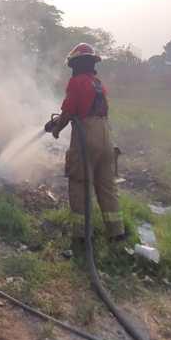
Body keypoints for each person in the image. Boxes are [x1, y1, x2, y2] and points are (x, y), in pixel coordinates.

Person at [45, 42, 126, 243]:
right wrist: (57, 121)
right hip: (106, 138)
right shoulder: (98, 84)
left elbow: (69, 110)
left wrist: (56, 129)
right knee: (106, 186)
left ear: (76, 65)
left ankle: (82, 235)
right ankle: (117, 232)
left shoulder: (77, 82)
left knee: (80, 184)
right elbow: (89, 108)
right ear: (91, 63)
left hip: (86, 137)